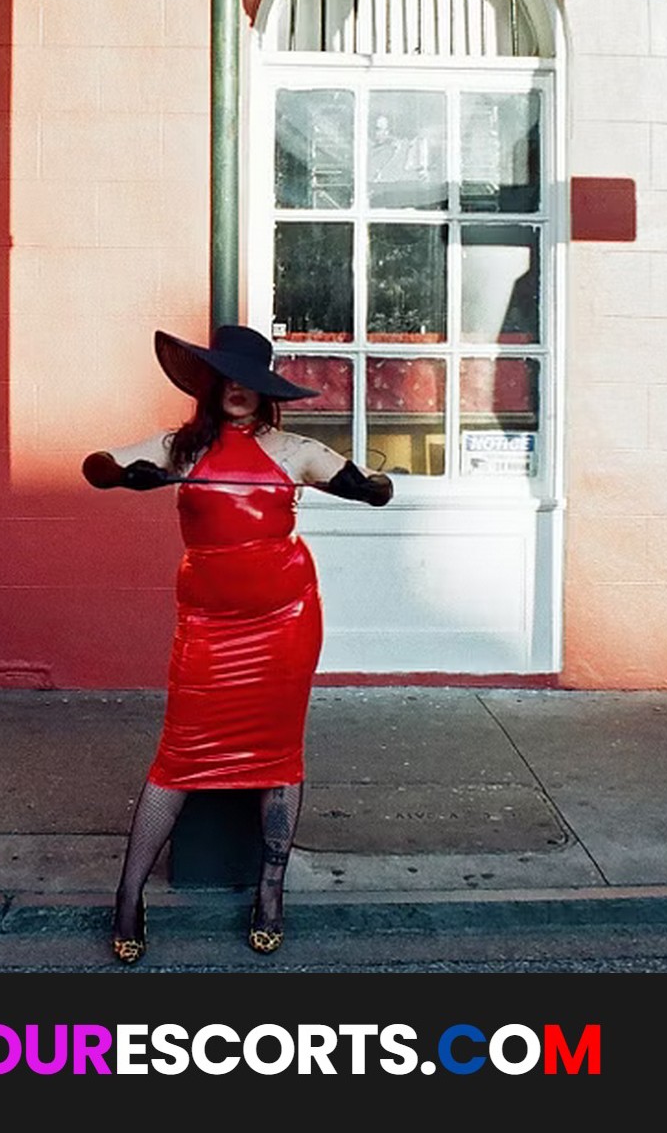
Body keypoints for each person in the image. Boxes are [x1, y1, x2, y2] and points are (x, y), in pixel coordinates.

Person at [81, 323, 393, 964]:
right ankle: (128, 895)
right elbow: (97, 466)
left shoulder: (295, 450)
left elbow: (373, 486)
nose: (236, 389)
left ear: (264, 390)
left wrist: (367, 486)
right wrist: (127, 475)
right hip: (209, 627)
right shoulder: (180, 448)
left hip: (285, 622)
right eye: (225, 377)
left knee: (279, 756)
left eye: (247, 380)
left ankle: (270, 893)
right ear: (210, 385)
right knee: (177, 759)